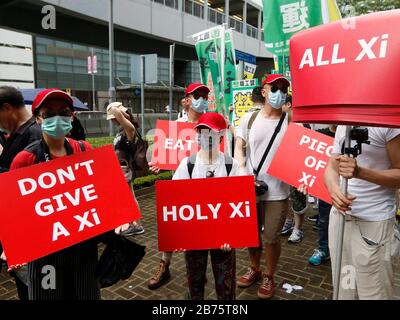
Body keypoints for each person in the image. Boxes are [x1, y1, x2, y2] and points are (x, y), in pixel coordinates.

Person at [5, 88, 130, 300]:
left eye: (63, 112)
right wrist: (11, 247)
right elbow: (14, 211)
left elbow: (101, 195)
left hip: (83, 250)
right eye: (49, 114)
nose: (57, 118)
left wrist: (120, 217)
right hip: (45, 256)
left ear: (72, 117)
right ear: (38, 119)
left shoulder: (84, 150)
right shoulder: (25, 160)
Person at [324, 125, 400, 300]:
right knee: (344, 288)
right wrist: (333, 188)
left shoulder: (390, 124)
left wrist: (360, 172)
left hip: (374, 223)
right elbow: (331, 167)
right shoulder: (343, 122)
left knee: (374, 293)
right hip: (340, 219)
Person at [148, 82, 210, 290]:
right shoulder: (175, 126)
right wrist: (160, 163)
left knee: (201, 232)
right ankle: (164, 266)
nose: (201, 99)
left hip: (206, 187)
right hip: (180, 186)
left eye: (204, 95)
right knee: (172, 228)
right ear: (186, 100)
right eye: (196, 95)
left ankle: (198, 273)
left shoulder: (213, 125)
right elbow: (170, 157)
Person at [235, 74, 290, 299]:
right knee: (252, 235)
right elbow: (239, 146)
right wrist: (240, 169)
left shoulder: (291, 120)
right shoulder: (249, 118)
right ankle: (255, 267)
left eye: (283, 89)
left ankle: (269, 275)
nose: (279, 93)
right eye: (274, 88)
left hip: (278, 190)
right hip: (250, 186)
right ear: (264, 91)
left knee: (271, 238)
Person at [174, 112, 240, 300]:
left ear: (221, 136)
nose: (206, 137)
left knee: (225, 286)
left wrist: (232, 235)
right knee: (195, 283)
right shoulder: (187, 165)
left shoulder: (230, 165)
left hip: (223, 239)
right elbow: (176, 202)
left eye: (211, 132)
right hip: (194, 237)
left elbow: (237, 204)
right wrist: (179, 236)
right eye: (202, 132)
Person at [0, 86, 42, 300]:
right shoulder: (17, 133)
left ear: (7, 108)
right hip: (17, 225)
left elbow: (29, 183)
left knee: (33, 287)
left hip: (29, 228)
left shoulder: (33, 134)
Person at [106, 101, 144, 236]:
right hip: (120, 169)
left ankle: (137, 225)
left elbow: (125, 121)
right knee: (128, 197)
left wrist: (114, 109)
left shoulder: (129, 130)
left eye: (113, 118)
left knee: (130, 197)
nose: (113, 121)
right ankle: (133, 223)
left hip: (125, 169)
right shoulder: (122, 130)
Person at [305, 125, 337, 266]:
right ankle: (323, 250)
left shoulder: (351, 137)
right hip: (325, 190)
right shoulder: (319, 135)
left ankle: (341, 251)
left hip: (350, 189)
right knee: (324, 222)